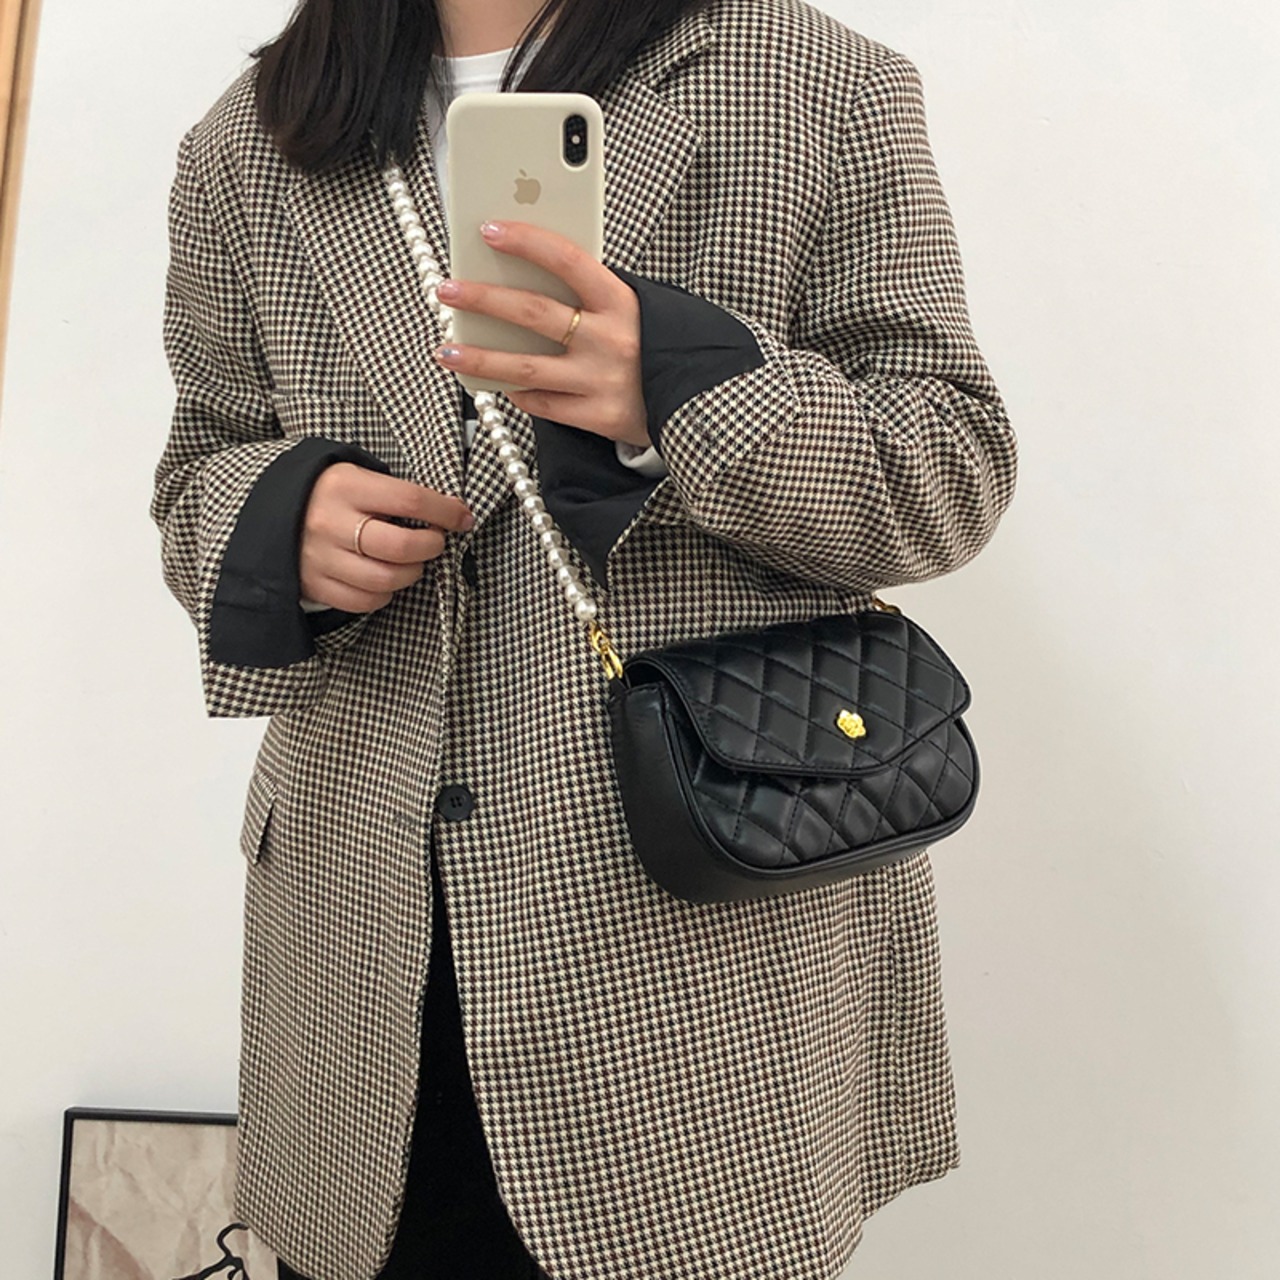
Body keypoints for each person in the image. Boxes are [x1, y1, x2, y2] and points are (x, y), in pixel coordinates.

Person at [151, 0, 1017, 1276]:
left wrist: (688, 395)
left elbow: (947, 468)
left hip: (697, 937)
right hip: (357, 945)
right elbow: (197, 475)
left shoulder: (812, 80)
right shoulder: (251, 137)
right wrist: (284, 521)